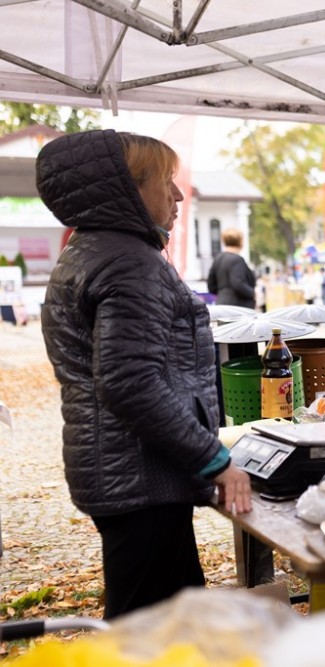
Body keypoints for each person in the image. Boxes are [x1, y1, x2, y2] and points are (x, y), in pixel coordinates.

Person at [36, 130, 253, 619]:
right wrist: (214, 460)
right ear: (127, 188)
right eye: (165, 180)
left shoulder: (94, 249)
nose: (177, 195)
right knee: (147, 632)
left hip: (130, 475)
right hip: (141, 478)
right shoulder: (128, 262)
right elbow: (131, 383)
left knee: (169, 622)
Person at [206, 227, 256, 309]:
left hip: (221, 304)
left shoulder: (218, 259)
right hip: (238, 307)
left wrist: (223, 295)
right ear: (240, 241)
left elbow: (211, 285)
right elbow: (238, 284)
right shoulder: (237, 260)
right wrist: (253, 293)